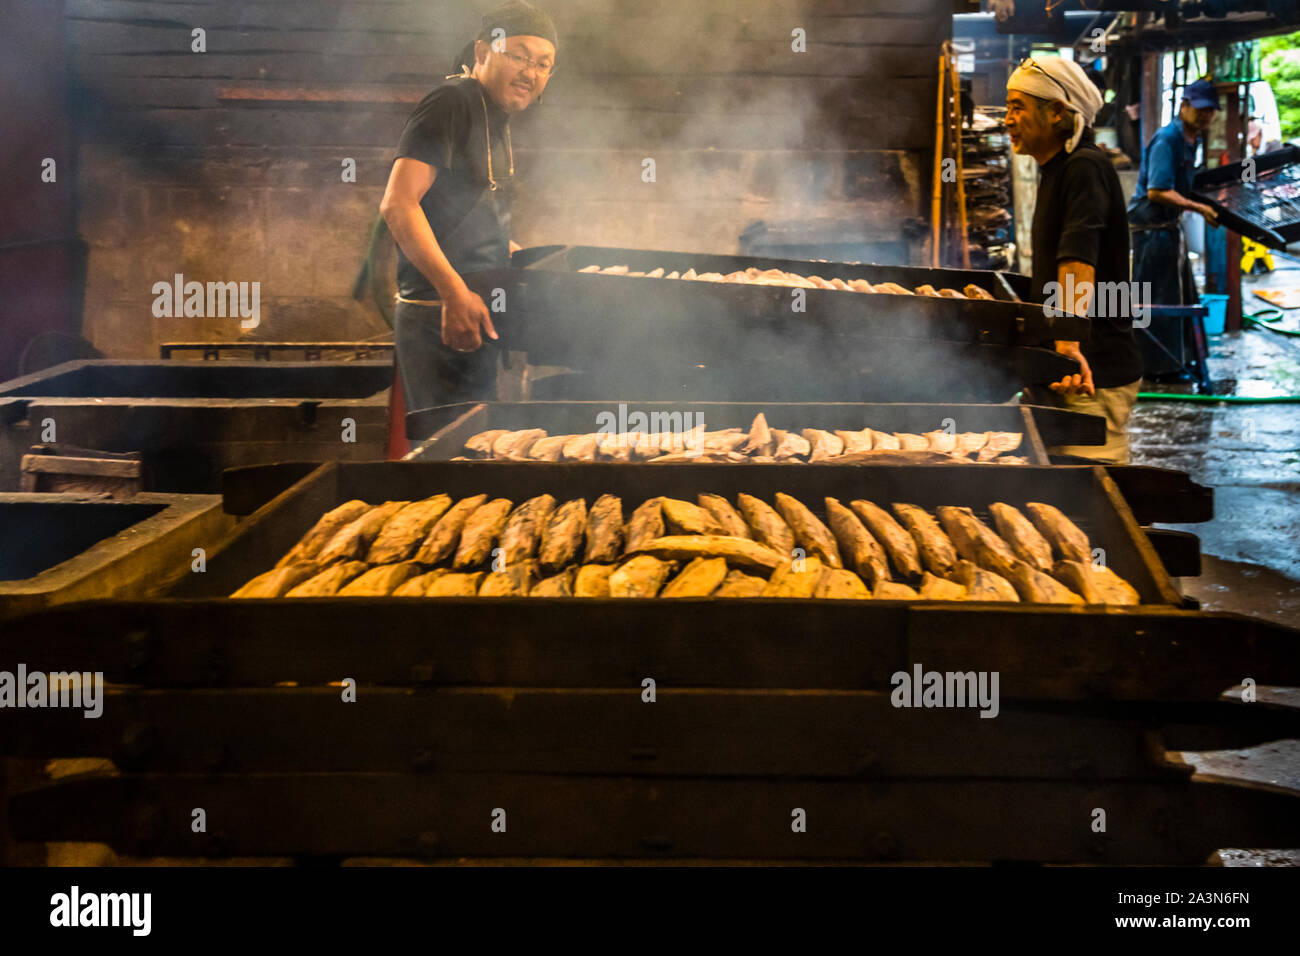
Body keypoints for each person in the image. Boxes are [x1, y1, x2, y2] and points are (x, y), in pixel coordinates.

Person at [379, 1, 556, 412]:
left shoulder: (492, 112)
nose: (530, 73)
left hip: (472, 309)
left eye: (543, 64)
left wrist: (500, 245)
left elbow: (455, 205)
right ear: (482, 53)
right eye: (519, 57)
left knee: (470, 452)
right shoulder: (451, 102)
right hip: (439, 313)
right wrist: (454, 291)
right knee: (444, 459)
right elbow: (398, 204)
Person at [1005, 56, 1145, 464]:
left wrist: (1067, 343)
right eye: (1008, 108)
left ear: (1057, 113)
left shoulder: (1083, 167)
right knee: (1069, 484)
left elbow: (1077, 260)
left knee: (1097, 492)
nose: (1008, 119)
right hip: (1072, 365)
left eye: (1018, 108)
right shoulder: (1059, 168)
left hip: (1091, 370)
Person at [1127, 78, 1220, 307]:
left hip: (1167, 228)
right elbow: (1157, 191)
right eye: (1200, 109)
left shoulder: (1193, 139)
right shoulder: (1167, 139)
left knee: (1173, 297)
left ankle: (1175, 342)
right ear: (1184, 106)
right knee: (1150, 301)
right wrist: (1199, 208)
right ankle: (1149, 343)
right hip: (1151, 232)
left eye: (1209, 110)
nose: (1204, 115)